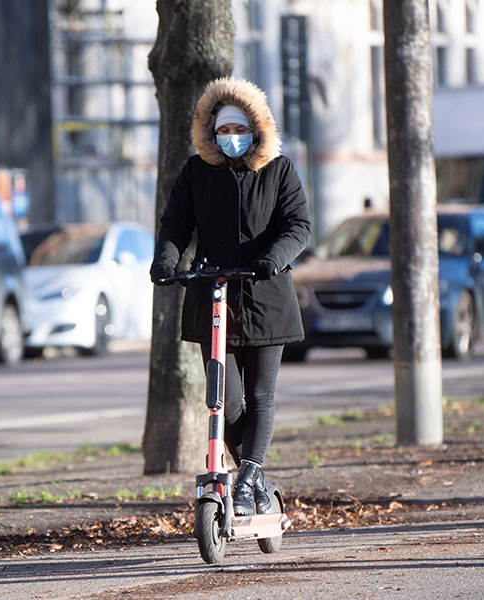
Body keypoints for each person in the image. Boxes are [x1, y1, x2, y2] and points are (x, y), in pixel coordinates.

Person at [149, 77, 311, 515]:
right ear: (211, 133)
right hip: (213, 293)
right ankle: (253, 477)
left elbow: (299, 226)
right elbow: (175, 224)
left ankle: (248, 477)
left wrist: (274, 258)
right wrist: (166, 261)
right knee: (228, 400)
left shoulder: (279, 171)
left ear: (256, 130)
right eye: (223, 131)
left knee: (261, 396)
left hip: (266, 296)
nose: (232, 139)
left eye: (240, 130)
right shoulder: (196, 173)